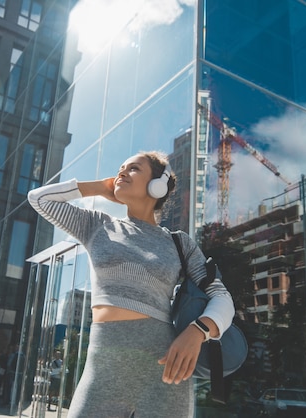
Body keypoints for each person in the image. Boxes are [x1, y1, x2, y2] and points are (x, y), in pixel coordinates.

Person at [28, 151, 235, 417]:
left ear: (157, 184)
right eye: (120, 168)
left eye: (134, 169)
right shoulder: (96, 225)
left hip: (165, 368)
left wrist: (198, 331)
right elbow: (39, 199)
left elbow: (221, 296)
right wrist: (99, 188)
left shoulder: (178, 243)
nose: (122, 173)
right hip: (104, 365)